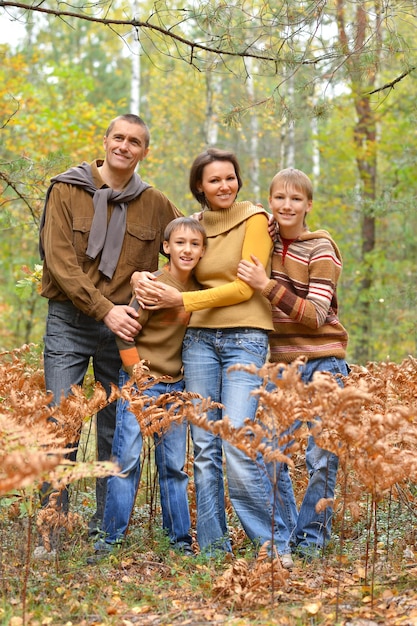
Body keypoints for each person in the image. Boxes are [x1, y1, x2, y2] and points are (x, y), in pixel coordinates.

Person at [134, 148, 292, 564]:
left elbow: (246, 288)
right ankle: (213, 548)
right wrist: (141, 277)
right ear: (199, 187)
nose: (224, 186)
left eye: (230, 177)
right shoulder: (195, 225)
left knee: (237, 441)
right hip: (200, 340)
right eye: (214, 180)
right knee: (204, 447)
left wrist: (185, 297)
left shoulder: (255, 219)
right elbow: (175, 265)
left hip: (245, 338)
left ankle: (273, 545)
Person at [38, 113, 182, 549]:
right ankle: (50, 533)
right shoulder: (66, 189)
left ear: (144, 151)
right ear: (105, 142)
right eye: (118, 137)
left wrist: (252, 222)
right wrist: (105, 311)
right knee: (60, 422)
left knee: (112, 429)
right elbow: (60, 262)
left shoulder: (155, 203)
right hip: (70, 320)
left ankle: (105, 528)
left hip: (123, 329)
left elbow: (192, 238)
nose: (124, 146)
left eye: (135, 141)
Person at [237, 167, 349, 561]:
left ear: (308, 205)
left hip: (325, 363)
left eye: (296, 199)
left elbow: (317, 314)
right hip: (281, 366)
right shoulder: (264, 244)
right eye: (279, 198)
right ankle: (283, 536)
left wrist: (265, 285)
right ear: (270, 202)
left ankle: (312, 542)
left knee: (320, 459)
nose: (287, 205)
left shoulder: (321, 247)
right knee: (270, 454)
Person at [88, 217, 207, 562]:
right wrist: (139, 379)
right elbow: (125, 333)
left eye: (195, 244)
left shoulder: (201, 290)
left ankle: (180, 541)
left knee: (173, 467)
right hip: (142, 385)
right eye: (179, 243)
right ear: (166, 247)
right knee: (126, 462)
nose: (187, 249)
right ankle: (108, 542)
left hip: (177, 387)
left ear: (203, 250)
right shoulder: (152, 286)